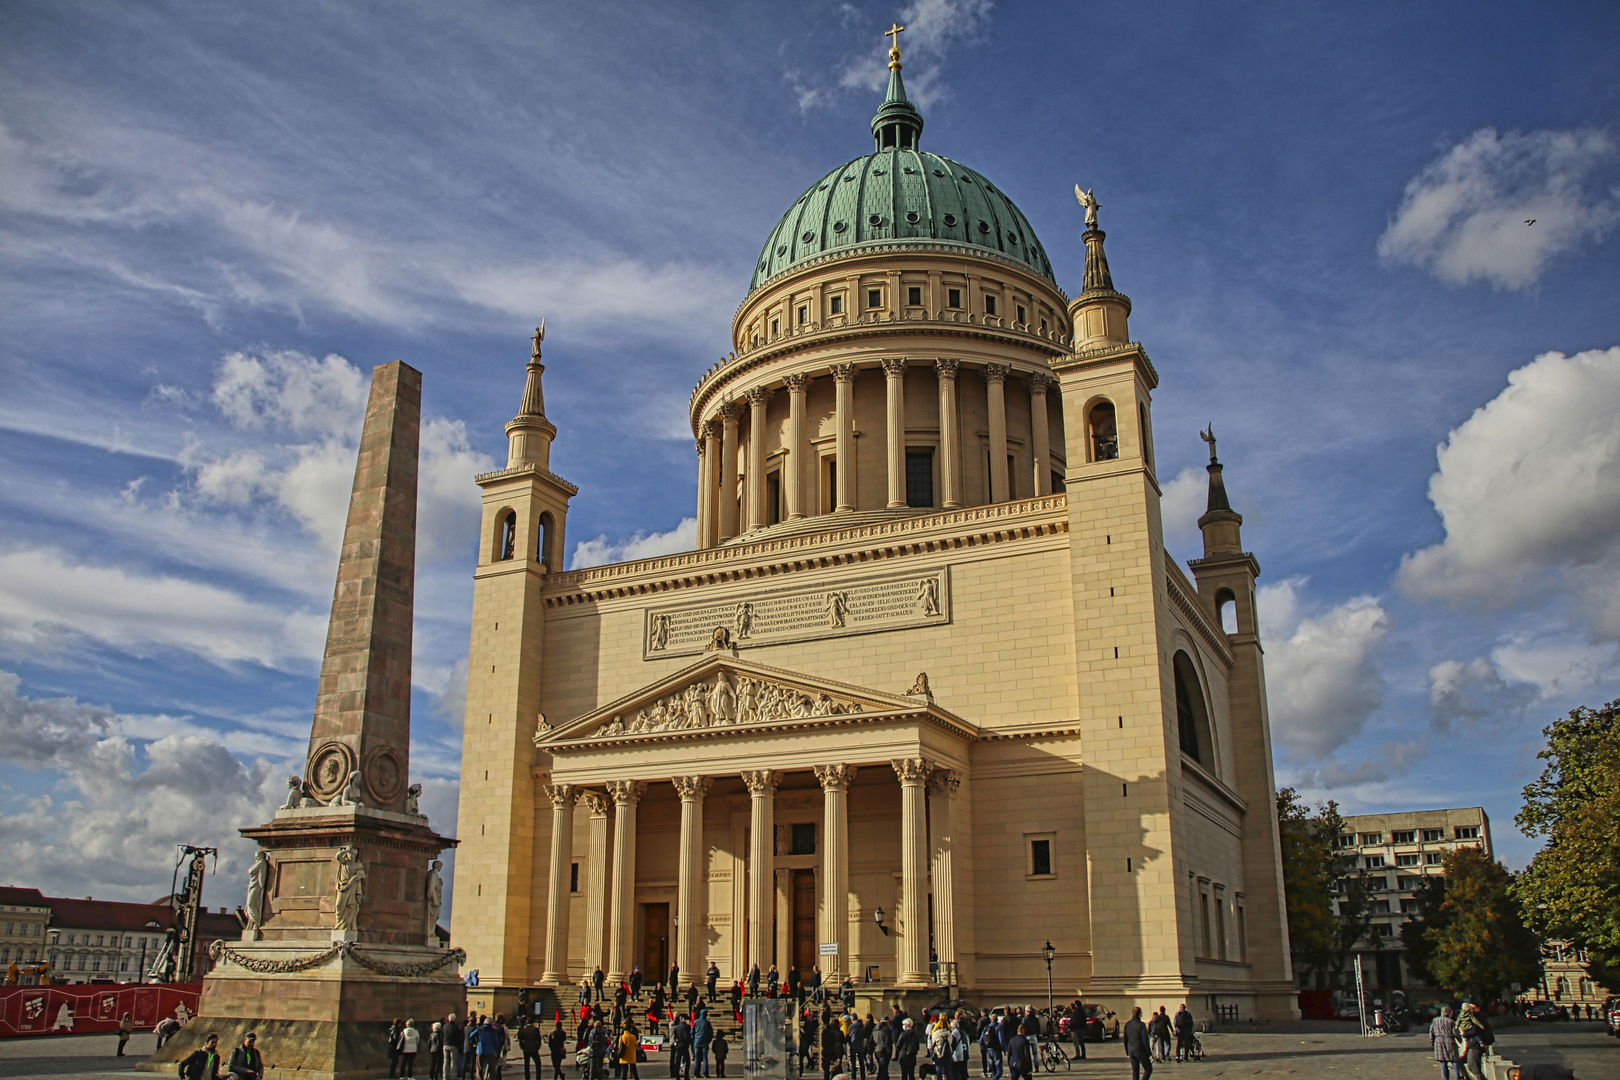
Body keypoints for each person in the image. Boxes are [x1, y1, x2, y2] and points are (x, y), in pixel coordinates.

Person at [1429, 1006, 1460, 1080]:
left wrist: (1433, 1041)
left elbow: (1431, 1032)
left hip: (1438, 1041)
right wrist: (1460, 1040)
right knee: (1454, 1060)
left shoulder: (1435, 1021)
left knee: (1443, 1062)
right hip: (1449, 1040)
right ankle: (1457, 1078)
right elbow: (1455, 1033)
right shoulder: (1450, 1021)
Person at [1121, 1008, 1152, 1080]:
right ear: (1139, 1014)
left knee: (1135, 1071)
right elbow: (1145, 1040)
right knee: (1148, 1069)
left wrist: (1127, 1052)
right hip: (1140, 1050)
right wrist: (1149, 1053)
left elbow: (1125, 1039)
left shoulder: (1127, 1025)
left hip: (1131, 1050)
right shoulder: (1141, 1025)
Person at [821, 1009, 846, 1080]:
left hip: (828, 1052)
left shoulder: (827, 1031)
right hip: (837, 1052)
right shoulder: (839, 1032)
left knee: (827, 1070)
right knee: (837, 1068)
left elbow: (824, 1042)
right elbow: (843, 1041)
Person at [669, 1014, 693, 1080]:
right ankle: (686, 1075)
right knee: (687, 1061)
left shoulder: (676, 1027)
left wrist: (675, 1042)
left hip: (678, 1045)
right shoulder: (686, 1027)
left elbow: (674, 1036)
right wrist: (689, 1042)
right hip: (684, 1045)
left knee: (677, 1061)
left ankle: (677, 1076)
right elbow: (686, 1036)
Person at [693, 1009, 713, 1078]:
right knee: (705, 1058)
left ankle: (696, 1073)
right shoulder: (707, 1022)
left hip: (697, 1041)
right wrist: (708, 1040)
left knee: (697, 1058)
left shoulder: (696, 1022)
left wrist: (694, 1039)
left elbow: (692, 1032)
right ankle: (705, 1073)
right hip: (704, 1042)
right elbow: (711, 1033)